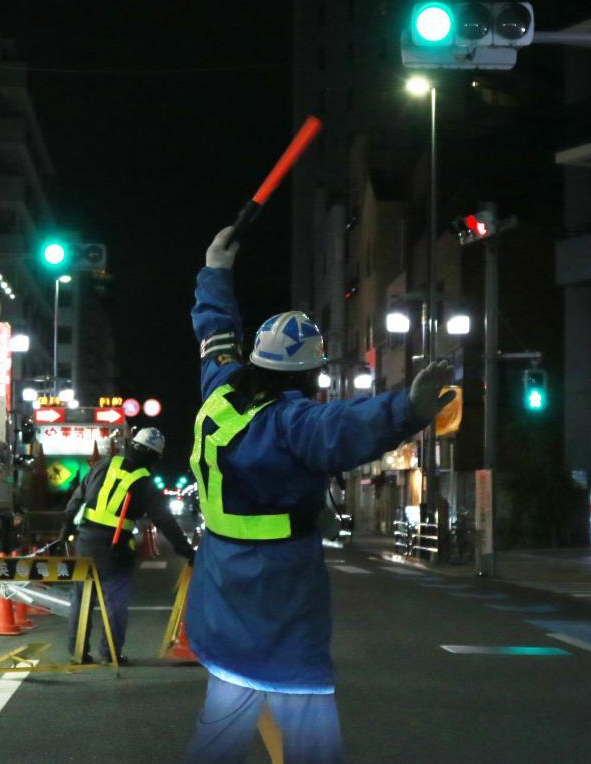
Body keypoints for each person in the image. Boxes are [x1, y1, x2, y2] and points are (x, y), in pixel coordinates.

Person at [183, 227, 455, 762]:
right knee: (308, 723)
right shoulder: (291, 425)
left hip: (220, 586)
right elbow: (345, 427)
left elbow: (215, 332)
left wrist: (215, 270)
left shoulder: (220, 391)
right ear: (310, 372)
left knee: (225, 712)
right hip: (278, 597)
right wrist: (409, 410)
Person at [61, 428, 196, 664]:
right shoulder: (143, 480)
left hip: (86, 539)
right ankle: (111, 654)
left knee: (82, 597)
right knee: (115, 601)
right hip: (115, 547)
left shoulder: (104, 465)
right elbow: (164, 520)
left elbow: (78, 496)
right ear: (153, 456)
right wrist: (185, 550)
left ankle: (78, 652)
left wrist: (66, 527)